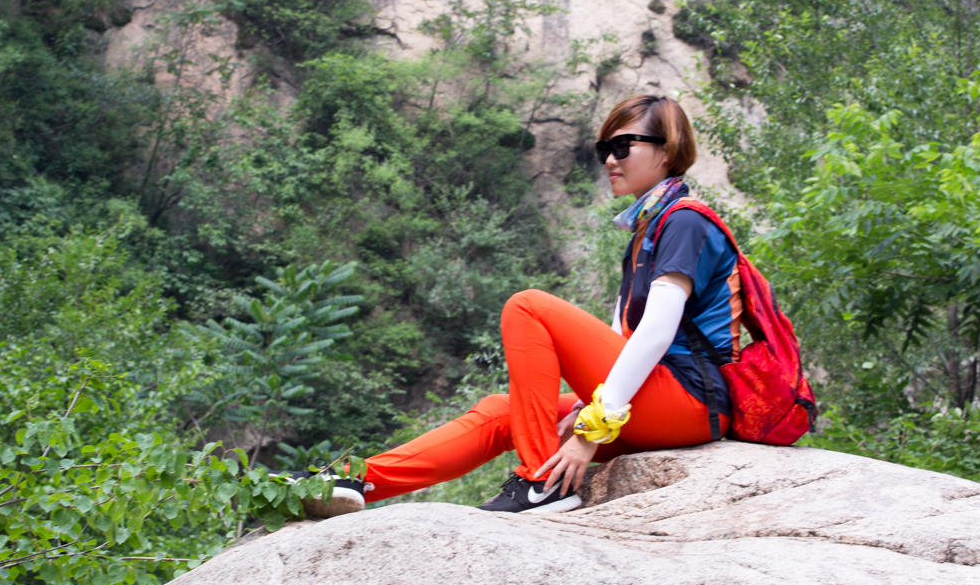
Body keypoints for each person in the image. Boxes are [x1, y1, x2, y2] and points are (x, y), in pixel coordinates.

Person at [310, 93, 740, 516]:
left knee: (527, 307)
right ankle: (351, 481)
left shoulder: (684, 220)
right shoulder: (647, 227)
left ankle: (539, 482)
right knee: (502, 412)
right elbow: (618, 337)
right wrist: (581, 410)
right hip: (656, 404)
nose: (610, 160)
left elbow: (655, 333)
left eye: (623, 146)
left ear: (666, 151)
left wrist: (590, 431)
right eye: (604, 150)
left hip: (690, 401)